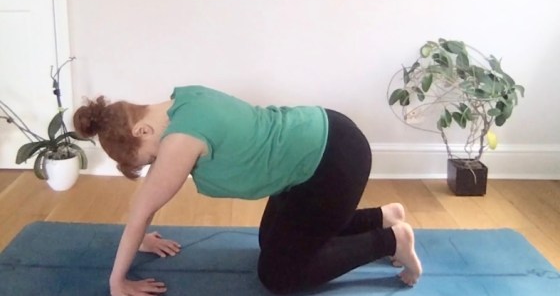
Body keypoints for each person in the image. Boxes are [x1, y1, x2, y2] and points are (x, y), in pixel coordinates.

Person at [73, 85, 422, 295]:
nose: (156, 165)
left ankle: (392, 240)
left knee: (279, 276)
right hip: (317, 143)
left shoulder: (180, 140)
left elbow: (142, 210)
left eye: (150, 159)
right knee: (271, 242)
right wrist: (143, 238)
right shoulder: (183, 101)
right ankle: (382, 217)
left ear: (142, 132)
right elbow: (147, 204)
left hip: (332, 163)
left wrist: (117, 283)